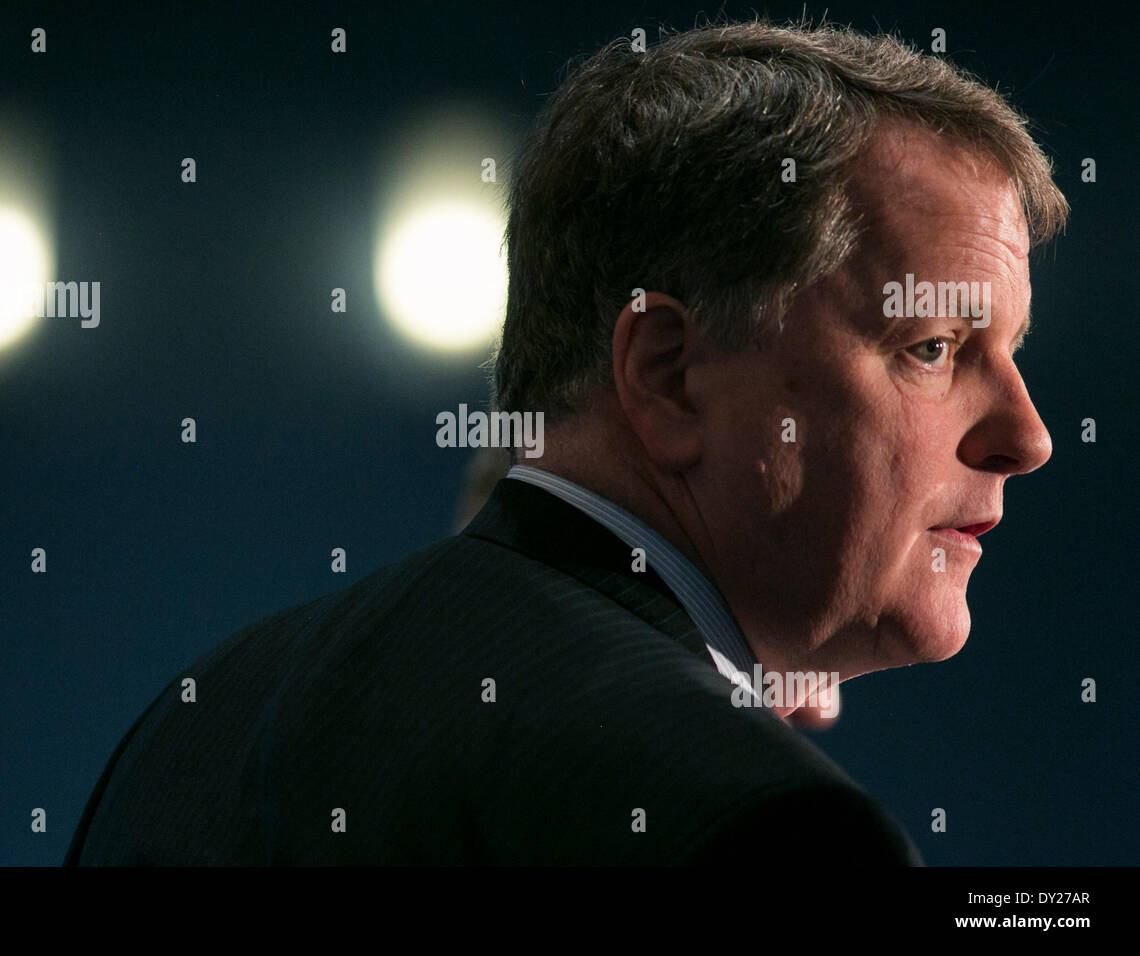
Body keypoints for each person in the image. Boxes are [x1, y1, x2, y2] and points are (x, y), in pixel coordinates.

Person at [66, 19, 1066, 865]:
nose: (1026, 436)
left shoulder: (190, 728)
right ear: (669, 373)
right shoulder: (759, 820)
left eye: (1010, 352)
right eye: (934, 346)